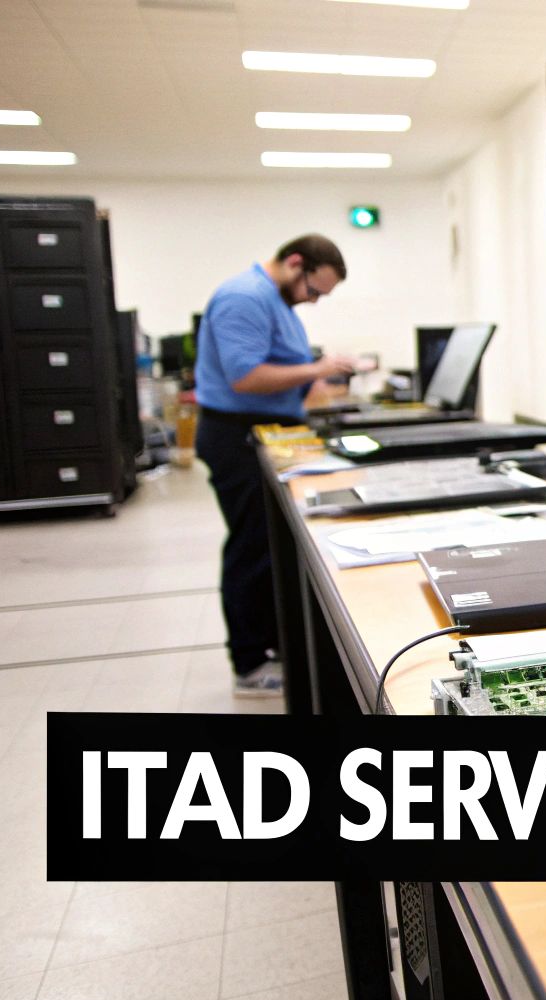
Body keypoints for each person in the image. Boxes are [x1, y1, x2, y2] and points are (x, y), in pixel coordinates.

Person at [194, 235, 356, 697]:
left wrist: (315, 381)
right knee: (252, 546)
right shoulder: (244, 298)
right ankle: (248, 665)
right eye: (314, 290)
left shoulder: (276, 302)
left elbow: (280, 373)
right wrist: (317, 368)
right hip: (237, 436)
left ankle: (279, 645)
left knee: (274, 547)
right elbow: (246, 377)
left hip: (267, 431)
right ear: (295, 263)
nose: (313, 300)